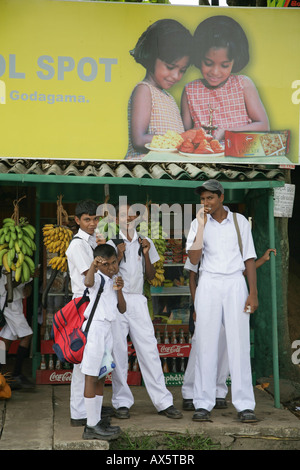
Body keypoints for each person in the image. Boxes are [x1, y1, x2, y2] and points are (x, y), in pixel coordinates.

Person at [186, 179, 259, 423]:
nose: (206, 203)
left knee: (239, 343)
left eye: (210, 198)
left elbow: (249, 259)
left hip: (235, 284)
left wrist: (253, 292)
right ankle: (203, 404)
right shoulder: (198, 223)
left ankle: (245, 405)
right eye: (203, 199)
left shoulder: (239, 222)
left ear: (221, 197)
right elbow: (194, 259)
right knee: (205, 343)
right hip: (208, 283)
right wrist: (202, 227)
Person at [108, 202, 182, 419]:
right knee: (119, 352)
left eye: (131, 215)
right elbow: (108, 274)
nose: (127, 218)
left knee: (149, 350)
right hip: (117, 300)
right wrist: (118, 256)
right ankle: (122, 402)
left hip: (139, 300)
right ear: (115, 219)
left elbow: (150, 276)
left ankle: (163, 402)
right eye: (122, 215)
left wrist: (147, 253)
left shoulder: (145, 241)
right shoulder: (112, 243)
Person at [181, 247, 276, 412]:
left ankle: (219, 391)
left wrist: (262, 259)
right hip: (206, 300)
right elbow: (192, 279)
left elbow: (244, 272)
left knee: (224, 348)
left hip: (229, 300)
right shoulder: (201, 242)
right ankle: (189, 392)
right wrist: (197, 307)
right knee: (200, 348)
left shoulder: (234, 245)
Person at [181, 15, 269, 142]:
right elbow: (184, 134)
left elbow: (263, 125)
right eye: (208, 63)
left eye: (224, 65)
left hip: (241, 155)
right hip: (205, 157)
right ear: (199, 57)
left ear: (235, 61)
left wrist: (227, 132)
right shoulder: (190, 90)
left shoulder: (243, 84)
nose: (215, 72)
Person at [65, 199, 113, 426]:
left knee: (91, 363)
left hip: (93, 305)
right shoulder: (77, 245)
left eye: (95, 219)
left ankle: (86, 411)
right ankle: (79, 414)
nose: (92, 223)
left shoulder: (94, 241)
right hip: (84, 304)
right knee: (83, 364)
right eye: (87, 220)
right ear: (77, 220)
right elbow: (91, 278)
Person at [125, 19, 193, 159]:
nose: (176, 76)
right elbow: (139, 140)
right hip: (145, 169)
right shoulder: (144, 90)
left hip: (166, 168)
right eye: (170, 67)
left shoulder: (168, 97)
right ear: (151, 56)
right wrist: (180, 138)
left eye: (182, 70)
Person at [81, 244, 126, 441]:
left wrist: (120, 290)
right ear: (99, 264)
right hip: (95, 331)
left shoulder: (113, 280)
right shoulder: (97, 277)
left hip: (107, 330)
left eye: (114, 262)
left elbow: (122, 309)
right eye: (106, 264)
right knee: (91, 376)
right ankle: (90, 426)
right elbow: (88, 282)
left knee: (100, 376)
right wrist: (93, 266)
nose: (112, 267)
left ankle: (96, 420)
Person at [0, 268, 37, 390]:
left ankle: (1, 373)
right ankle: (17, 374)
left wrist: (28, 285)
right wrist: (26, 277)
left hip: (16, 302)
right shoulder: (5, 262)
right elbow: (6, 286)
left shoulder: (18, 260)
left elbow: (25, 284)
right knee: (27, 335)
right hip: (9, 303)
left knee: (7, 337)